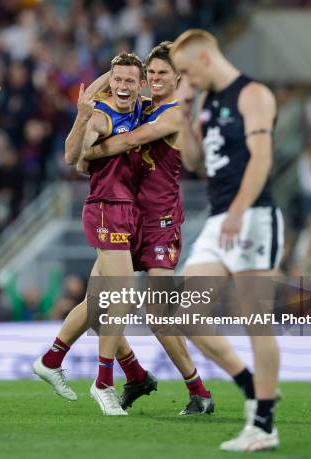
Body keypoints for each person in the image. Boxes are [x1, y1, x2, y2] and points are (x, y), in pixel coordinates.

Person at [84, 42, 214, 415]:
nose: (155, 79)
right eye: (151, 73)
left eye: (162, 74)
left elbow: (129, 140)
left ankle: (198, 391)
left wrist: (86, 154)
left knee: (157, 313)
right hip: (128, 218)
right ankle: (136, 375)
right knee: (97, 310)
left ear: (177, 78)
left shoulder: (173, 115)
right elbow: (104, 98)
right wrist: (108, 78)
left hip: (160, 224)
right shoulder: (141, 107)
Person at [170, 29, 282, 451]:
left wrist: (237, 211)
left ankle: (265, 424)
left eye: (185, 72)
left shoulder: (253, 94)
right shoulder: (207, 104)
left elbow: (263, 158)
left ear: (204, 57)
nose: (185, 81)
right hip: (221, 220)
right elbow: (198, 163)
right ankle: (253, 386)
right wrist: (182, 116)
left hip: (251, 216)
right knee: (183, 314)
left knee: (258, 323)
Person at [34, 52, 154, 416]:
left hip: (127, 212)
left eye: (129, 80)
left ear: (139, 84)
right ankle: (103, 383)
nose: (121, 86)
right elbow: (74, 156)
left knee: (99, 303)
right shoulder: (102, 114)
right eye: (116, 79)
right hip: (105, 209)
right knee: (123, 295)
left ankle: (51, 359)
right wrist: (83, 115)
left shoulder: (141, 110)